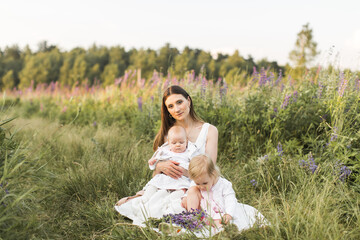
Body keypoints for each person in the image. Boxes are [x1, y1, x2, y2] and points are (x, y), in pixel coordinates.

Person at [114, 85, 218, 224]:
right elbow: (157, 174)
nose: (177, 109)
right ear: (167, 110)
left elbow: (210, 170)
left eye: (179, 102)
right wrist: (160, 166)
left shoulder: (209, 130)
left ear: (188, 100)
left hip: (197, 185)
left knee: (178, 208)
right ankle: (149, 200)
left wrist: (185, 172)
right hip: (168, 184)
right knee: (126, 204)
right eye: (170, 106)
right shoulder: (169, 134)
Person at [187, 154, 269, 231]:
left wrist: (228, 214)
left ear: (213, 174)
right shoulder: (199, 182)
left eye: (205, 183)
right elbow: (191, 193)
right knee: (192, 191)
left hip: (224, 212)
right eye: (198, 183)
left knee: (237, 221)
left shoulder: (223, 185)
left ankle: (226, 230)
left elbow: (230, 200)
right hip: (210, 214)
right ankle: (194, 219)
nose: (201, 187)